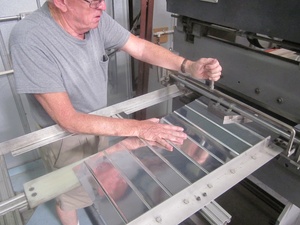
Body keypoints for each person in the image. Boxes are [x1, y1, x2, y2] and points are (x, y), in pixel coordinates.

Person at [9, 0, 222, 224]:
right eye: (93, 1)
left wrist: (187, 66)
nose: (103, 7)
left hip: (99, 122)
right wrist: (140, 128)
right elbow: (68, 119)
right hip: (65, 138)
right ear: (61, 2)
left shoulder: (94, 21)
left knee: (95, 178)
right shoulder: (30, 38)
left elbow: (139, 47)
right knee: (70, 195)